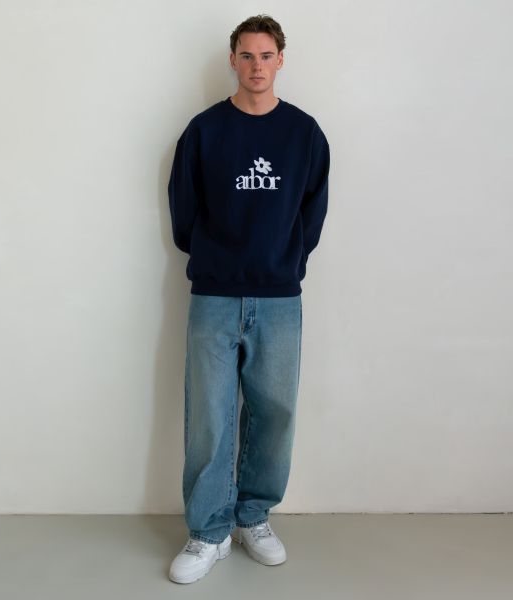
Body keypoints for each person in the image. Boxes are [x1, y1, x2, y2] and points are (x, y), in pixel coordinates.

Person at [167, 14, 330, 584]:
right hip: (215, 293)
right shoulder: (205, 131)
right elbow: (183, 209)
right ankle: (208, 531)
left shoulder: (304, 134)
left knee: (275, 412)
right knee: (209, 417)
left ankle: (253, 516)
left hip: (279, 296)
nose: (256, 66)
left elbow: (313, 209)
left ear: (280, 60)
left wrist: (286, 261)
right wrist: (215, 258)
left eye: (266, 55)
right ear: (232, 60)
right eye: (246, 55)